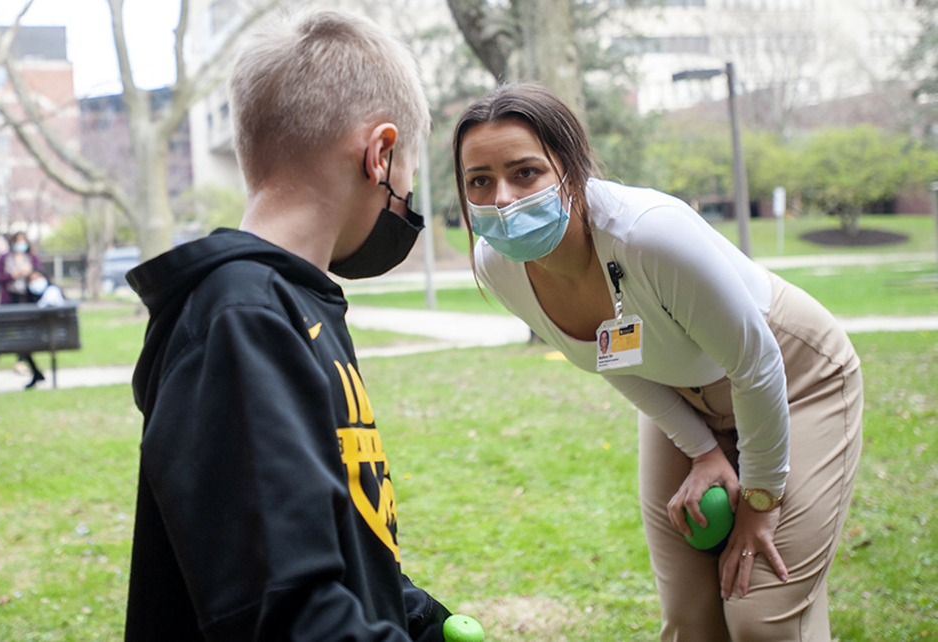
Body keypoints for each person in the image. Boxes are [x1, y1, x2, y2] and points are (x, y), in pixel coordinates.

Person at [452, 83, 862, 642]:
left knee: (761, 615)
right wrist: (700, 450)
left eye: (525, 172)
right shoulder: (499, 264)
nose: (501, 198)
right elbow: (613, 361)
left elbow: (757, 364)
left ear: (570, 172)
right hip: (679, 392)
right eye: (480, 180)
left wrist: (762, 499)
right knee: (690, 617)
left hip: (793, 377)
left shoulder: (648, 234)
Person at [123, 9, 450, 641]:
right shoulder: (240, 318)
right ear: (380, 154)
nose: (409, 198)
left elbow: (332, 531)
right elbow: (285, 611)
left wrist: (415, 616)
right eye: (409, 169)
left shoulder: (292, 303)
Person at [0, 231, 42, 377]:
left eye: (23, 241)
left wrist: (29, 273)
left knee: (23, 333)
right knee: (1, 332)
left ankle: (21, 362)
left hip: (25, 300)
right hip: (8, 300)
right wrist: (13, 275)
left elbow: (39, 274)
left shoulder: (31, 258)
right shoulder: (4, 259)